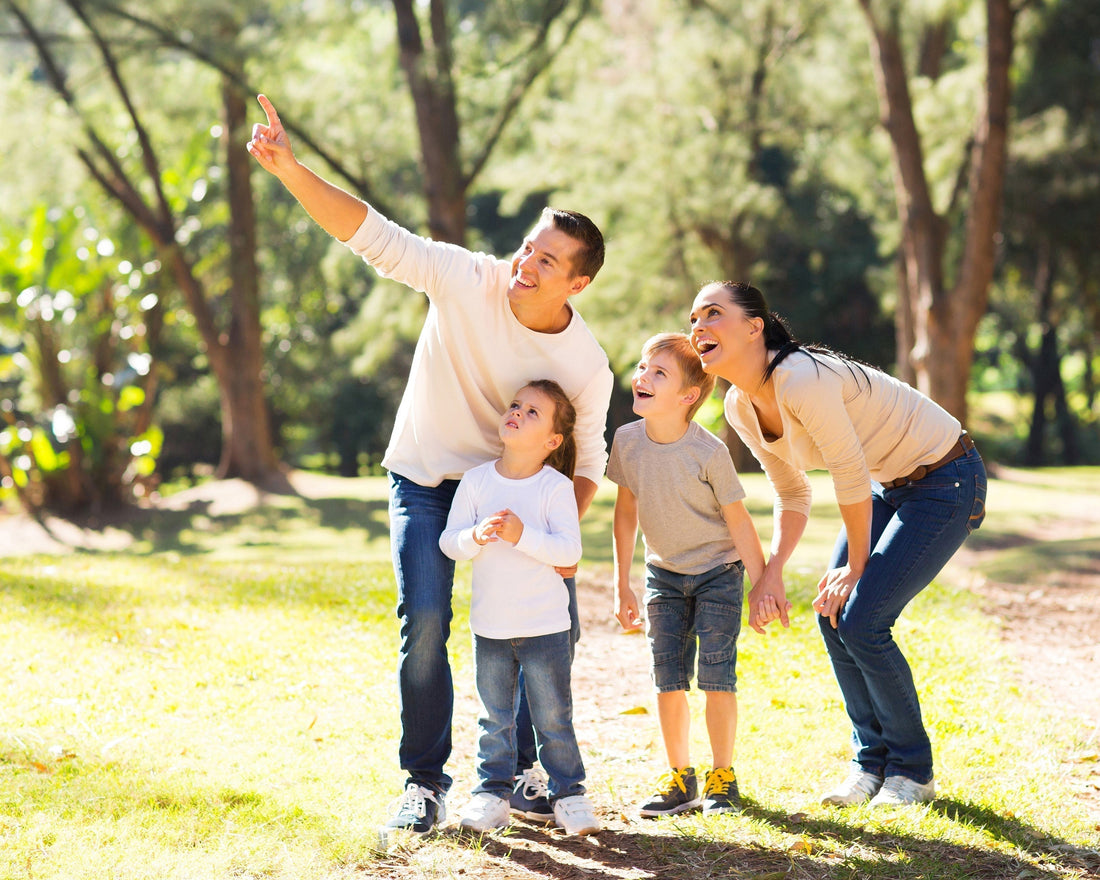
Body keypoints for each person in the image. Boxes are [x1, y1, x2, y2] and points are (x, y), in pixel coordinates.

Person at [247, 96, 614, 834]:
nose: (526, 263)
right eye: (528, 247)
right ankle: (423, 784)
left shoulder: (585, 363)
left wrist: (550, 541)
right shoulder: (465, 277)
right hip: (422, 478)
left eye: (547, 260)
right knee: (425, 618)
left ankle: (539, 775)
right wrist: (290, 170)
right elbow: (372, 234)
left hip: (507, 494)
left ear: (576, 283)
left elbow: (589, 461)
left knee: (550, 626)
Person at [688, 281, 987, 807]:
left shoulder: (800, 378)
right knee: (833, 617)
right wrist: (772, 570)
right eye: (694, 318)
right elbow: (791, 491)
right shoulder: (739, 405)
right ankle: (870, 765)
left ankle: (912, 772)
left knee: (862, 619)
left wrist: (855, 566)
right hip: (889, 485)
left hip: (947, 478)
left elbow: (846, 474)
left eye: (713, 314)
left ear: (755, 327)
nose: (699, 327)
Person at [607, 333, 768, 817]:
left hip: (719, 571)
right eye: (642, 367)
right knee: (668, 677)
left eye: (659, 373)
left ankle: (723, 777)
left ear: (688, 396)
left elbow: (738, 520)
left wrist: (762, 584)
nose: (642, 377)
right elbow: (625, 511)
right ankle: (680, 777)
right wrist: (621, 582)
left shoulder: (709, 451)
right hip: (664, 575)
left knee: (717, 675)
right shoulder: (627, 441)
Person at [440, 380, 601, 836]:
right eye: (516, 405)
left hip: (546, 627)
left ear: (552, 441)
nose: (517, 412)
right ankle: (491, 795)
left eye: (533, 412)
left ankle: (569, 796)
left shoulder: (554, 487)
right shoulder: (476, 481)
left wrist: (520, 535)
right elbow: (449, 542)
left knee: (553, 717)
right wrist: (474, 537)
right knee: (495, 717)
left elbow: (568, 551)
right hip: (490, 628)